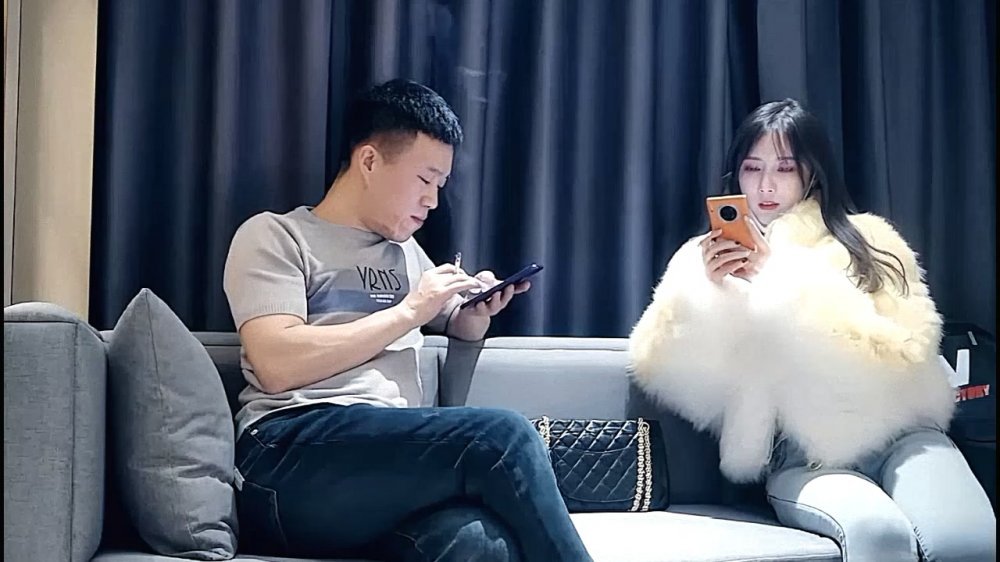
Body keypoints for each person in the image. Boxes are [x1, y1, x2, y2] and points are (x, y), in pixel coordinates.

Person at [223, 79, 593, 562]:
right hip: (286, 456)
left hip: (383, 464)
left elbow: (449, 330)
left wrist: (471, 320)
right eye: (424, 179)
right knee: (502, 436)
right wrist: (411, 310)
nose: (433, 201)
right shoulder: (276, 235)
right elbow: (277, 364)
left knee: (476, 542)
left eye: (440, 186)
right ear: (369, 161)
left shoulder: (406, 253)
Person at [628, 99, 995, 561]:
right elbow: (656, 365)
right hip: (802, 455)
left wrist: (782, 278)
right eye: (752, 168)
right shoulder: (701, 260)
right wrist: (707, 295)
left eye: (785, 168)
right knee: (877, 533)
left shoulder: (871, 240)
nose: (766, 185)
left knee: (969, 540)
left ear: (812, 174)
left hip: (905, 434)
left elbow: (906, 351)